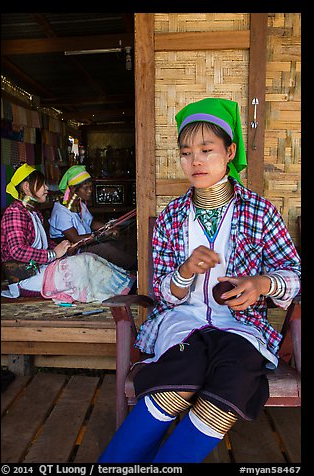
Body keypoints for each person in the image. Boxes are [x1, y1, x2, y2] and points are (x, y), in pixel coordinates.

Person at [97, 98, 301, 463]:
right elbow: (162, 293)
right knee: (178, 381)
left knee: (230, 387)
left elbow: (293, 275)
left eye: (207, 150)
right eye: (186, 152)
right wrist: (184, 272)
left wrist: (261, 284)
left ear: (229, 151)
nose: (196, 161)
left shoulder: (259, 211)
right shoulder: (171, 217)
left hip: (241, 327)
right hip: (183, 323)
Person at [1, 164, 135, 302]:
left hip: (41, 269)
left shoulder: (33, 212)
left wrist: (66, 248)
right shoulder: (15, 213)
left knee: (88, 257)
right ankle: (127, 291)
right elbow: (16, 251)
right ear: (27, 187)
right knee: (81, 264)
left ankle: (130, 286)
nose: (46, 188)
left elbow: (44, 243)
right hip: (26, 279)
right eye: (42, 185)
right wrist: (53, 254)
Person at [49, 165, 137, 270]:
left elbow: (90, 223)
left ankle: (135, 267)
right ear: (73, 188)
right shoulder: (61, 211)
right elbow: (75, 239)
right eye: (86, 188)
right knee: (106, 249)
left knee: (119, 242)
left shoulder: (80, 204)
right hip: (73, 249)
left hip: (85, 242)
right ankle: (137, 268)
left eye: (91, 187)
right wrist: (102, 234)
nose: (90, 191)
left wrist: (108, 228)